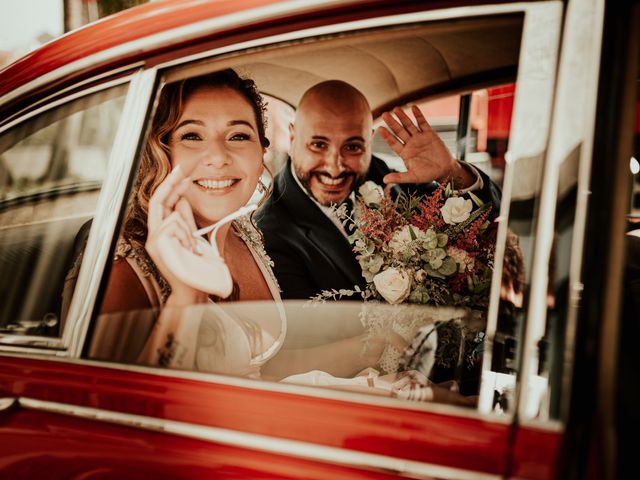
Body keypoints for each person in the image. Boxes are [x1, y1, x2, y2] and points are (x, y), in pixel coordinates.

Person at [87, 68, 474, 405]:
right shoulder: (124, 266)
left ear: (261, 150)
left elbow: (267, 367)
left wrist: (374, 349)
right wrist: (186, 295)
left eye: (238, 136)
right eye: (192, 136)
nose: (219, 157)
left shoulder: (246, 235)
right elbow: (116, 421)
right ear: (161, 150)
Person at [256, 80, 502, 300]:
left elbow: (485, 217)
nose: (335, 167)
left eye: (353, 147)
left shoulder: (383, 175)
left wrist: (450, 172)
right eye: (318, 144)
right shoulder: (270, 233)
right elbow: (312, 337)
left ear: (369, 141)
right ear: (292, 137)